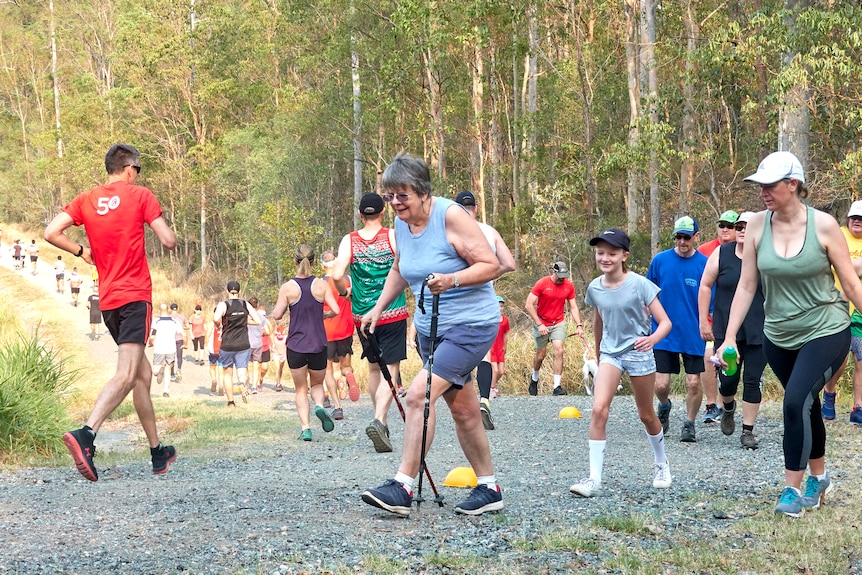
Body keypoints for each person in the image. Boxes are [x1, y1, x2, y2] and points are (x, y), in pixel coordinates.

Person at [716, 151, 862, 517]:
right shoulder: (757, 228)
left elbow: (850, 282)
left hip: (826, 329)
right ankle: (820, 477)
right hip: (777, 335)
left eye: (771, 185)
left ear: (793, 184)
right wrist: (729, 337)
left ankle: (791, 490)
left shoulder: (824, 226)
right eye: (760, 185)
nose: (763, 191)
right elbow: (747, 286)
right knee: (806, 404)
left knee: (795, 401)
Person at [360, 153, 503, 517]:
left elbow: (491, 264)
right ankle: (489, 488)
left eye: (402, 195)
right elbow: (400, 266)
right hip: (430, 330)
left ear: (423, 192)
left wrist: (451, 280)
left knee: (418, 395)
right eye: (390, 196)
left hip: (470, 327)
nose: (394, 203)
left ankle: (402, 486)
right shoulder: (402, 226)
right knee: (466, 411)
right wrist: (378, 308)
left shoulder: (450, 215)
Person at [44, 142, 177, 481]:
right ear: (129, 169)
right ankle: (86, 433)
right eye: (138, 170)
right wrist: (161, 225)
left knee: (142, 376)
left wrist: (81, 250)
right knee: (126, 374)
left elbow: (51, 232)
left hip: (109, 302)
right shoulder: (140, 196)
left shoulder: (86, 199)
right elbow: (169, 241)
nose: (137, 175)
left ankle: (157, 451)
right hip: (135, 298)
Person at [569, 228, 673, 497]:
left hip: (638, 352)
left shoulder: (640, 284)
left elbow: (665, 323)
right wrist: (601, 353)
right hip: (611, 354)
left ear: (624, 256)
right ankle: (594, 479)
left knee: (646, 414)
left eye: (612, 253)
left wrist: (652, 340)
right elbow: (599, 319)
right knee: (598, 409)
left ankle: (661, 463)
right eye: (600, 252)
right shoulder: (594, 287)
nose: (605, 258)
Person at [331, 192, 409, 453]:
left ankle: (381, 421)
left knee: (375, 370)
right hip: (392, 311)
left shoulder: (349, 241)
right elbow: (405, 265)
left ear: (360, 215)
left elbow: (337, 273)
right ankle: (379, 419)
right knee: (392, 368)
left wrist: (345, 292)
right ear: (383, 212)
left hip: (363, 316)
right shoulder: (392, 236)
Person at [698, 212, 765, 449]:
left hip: (759, 329)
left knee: (752, 380)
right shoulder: (722, 253)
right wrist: (703, 321)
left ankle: (748, 431)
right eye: (739, 226)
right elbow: (705, 285)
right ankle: (727, 407)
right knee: (728, 381)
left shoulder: (765, 255)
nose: (742, 230)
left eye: (748, 226)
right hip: (726, 330)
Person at [454, 190, 515, 429]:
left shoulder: (450, 232)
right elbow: (509, 264)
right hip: (485, 300)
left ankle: (465, 405)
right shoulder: (489, 231)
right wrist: (488, 274)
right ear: (476, 209)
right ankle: (484, 400)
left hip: (458, 300)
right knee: (486, 355)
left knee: (461, 353)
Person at [646, 216, 708, 443]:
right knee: (661, 384)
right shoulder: (660, 261)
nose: (682, 242)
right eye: (678, 237)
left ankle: (689, 424)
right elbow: (648, 293)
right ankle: (664, 405)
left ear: (696, 237)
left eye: (687, 237)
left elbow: (710, 299)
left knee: (693, 382)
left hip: (693, 332)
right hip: (664, 332)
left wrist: (709, 323)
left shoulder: (704, 264)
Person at [272, 245, 340, 441]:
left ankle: (306, 428)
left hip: (296, 345)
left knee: (301, 389)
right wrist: (325, 314)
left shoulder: (288, 287)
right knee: (317, 384)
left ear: (295, 262)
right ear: (313, 263)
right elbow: (335, 309)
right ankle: (319, 406)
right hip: (318, 343)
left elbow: (277, 314)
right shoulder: (321, 285)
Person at [821, 200, 862, 424]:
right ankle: (829, 394)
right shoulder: (837, 235)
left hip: (860, 310)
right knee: (840, 358)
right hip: (836, 305)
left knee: (861, 359)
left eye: (861, 219)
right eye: (854, 217)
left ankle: (858, 407)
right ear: (848, 218)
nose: (857, 221)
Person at [697, 210, 739, 424]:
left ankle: (726, 404)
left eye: (730, 226)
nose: (725, 229)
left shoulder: (745, 250)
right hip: (712, 316)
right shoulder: (705, 251)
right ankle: (712, 404)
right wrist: (702, 316)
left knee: (730, 364)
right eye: (722, 224)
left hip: (737, 317)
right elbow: (701, 284)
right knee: (708, 358)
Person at [525, 262, 584, 396]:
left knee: (559, 350)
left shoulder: (568, 286)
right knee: (540, 355)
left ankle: (557, 387)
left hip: (558, 322)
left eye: (564, 276)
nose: (562, 279)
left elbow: (573, 307)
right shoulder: (542, 283)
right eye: (560, 276)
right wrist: (539, 324)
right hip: (542, 321)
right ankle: (534, 379)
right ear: (554, 272)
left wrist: (579, 325)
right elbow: (528, 304)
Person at [214, 281, 262, 407]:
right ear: (239, 291)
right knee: (242, 372)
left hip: (227, 344)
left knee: (227, 374)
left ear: (227, 291)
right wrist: (244, 322)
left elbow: (215, 318)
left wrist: (219, 324)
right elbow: (257, 321)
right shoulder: (245, 304)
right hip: (243, 344)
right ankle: (242, 383)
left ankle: (230, 402)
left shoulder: (224, 305)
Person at [321, 249, 356, 420]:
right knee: (345, 365)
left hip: (326, 331)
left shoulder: (319, 284)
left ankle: (337, 406)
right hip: (346, 329)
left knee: (327, 369)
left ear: (322, 266)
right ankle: (349, 376)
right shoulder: (347, 279)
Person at [149, 303, 181, 398]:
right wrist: (185, 344)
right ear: (168, 311)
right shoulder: (175, 321)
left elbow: (152, 335)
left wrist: (150, 343)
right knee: (166, 369)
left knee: (156, 370)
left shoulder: (156, 322)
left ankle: (165, 390)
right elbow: (183, 334)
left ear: (159, 311)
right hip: (170, 349)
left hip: (160, 349)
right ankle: (165, 388)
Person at [246, 297, 271, 394]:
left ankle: (246, 384)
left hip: (246, 344)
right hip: (257, 344)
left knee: (246, 365)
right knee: (256, 366)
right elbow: (267, 331)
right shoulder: (261, 317)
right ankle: (254, 386)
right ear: (257, 306)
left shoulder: (244, 317)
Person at [489, 295, 510, 400]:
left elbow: (506, 334)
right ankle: (492, 388)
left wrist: (505, 347)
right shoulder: (491, 320)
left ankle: (492, 385)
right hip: (492, 347)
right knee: (495, 370)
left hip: (500, 348)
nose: (500, 309)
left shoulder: (505, 320)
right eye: (498, 306)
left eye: (502, 306)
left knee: (501, 371)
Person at [168, 303, 189, 383]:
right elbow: (188, 326)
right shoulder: (182, 317)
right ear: (177, 309)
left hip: (171, 338)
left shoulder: (169, 317)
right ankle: (179, 369)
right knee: (179, 356)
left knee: (171, 357)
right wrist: (181, 327)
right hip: (180, 338)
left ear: (170, 309)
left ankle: (172, 374)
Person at [205, 310, 223, 396]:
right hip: (223, 349)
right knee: (221, 368)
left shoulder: (211, 324)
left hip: (213, 349)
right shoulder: (226, 323)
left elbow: (207, 335)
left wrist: (205, 346)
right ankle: (221, 385)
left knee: (212, 366)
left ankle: (213, 379)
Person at [272, 321, 288, 392]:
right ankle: (278, 384)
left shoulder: (286, 338)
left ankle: (279, 381)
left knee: (281, 369)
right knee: (277, 368)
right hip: (276, 354)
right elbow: (271, 345)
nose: (280, 334)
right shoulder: (274, 337)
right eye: (279, 332)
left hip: (283, 355)